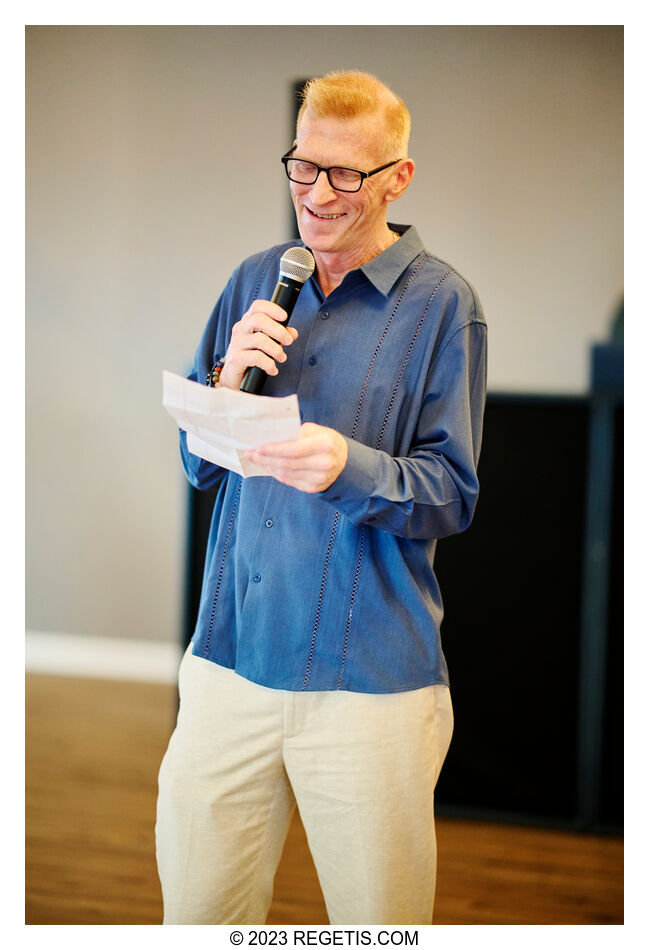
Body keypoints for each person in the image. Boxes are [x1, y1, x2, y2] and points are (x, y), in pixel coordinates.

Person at [156, 69, 487, 925]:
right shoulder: (257, 279)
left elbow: (450, 495)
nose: (316, 193)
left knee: (375, 929)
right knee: (197, 920)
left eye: (345, 174)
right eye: (303, 167)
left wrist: (348, 465)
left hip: (370, 685)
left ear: (396, 178)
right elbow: (199, 467)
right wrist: (228, 377)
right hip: (228, 662)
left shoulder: (443, 306)